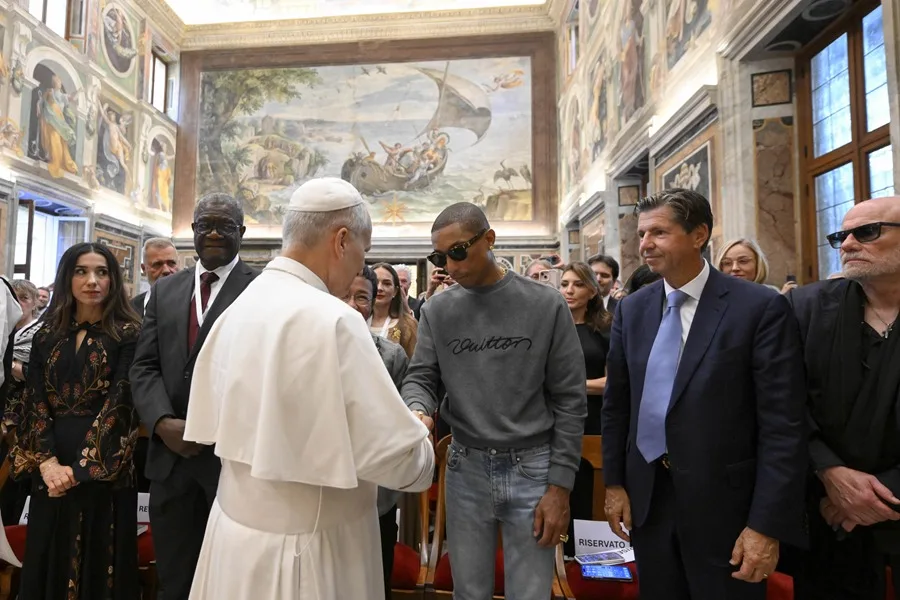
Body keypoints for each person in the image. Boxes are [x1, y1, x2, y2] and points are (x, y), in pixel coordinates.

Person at [183, 177, 434, 599]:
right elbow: (398, 462)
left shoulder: (237, 307)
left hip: (232, 539)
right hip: (312, 553)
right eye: (362, 251)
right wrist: (418, 431)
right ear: (341, 240)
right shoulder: (335, 320)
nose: (361, 267)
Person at [602, 188, 807, 600]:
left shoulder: (758, 307)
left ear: (699, 235)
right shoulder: (633, 308)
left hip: (727, 508)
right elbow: (618, 405)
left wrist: (765, 524)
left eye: (659, 232)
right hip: (649, 501)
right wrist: (615, 484)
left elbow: (783, 425)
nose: (645, 245)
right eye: (642, 234)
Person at [402, 202, 587, 599]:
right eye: (439, 256)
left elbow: (571, 400)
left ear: (489, 240)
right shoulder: (438, 309)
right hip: (466, 465)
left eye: (458, 251)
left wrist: (560, 487)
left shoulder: (545, 304)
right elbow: (421, 377)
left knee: (530, 592)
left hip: (533, 467)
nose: (449, 266)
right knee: (468, 591)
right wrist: (418, 410)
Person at [130, 193, 259, 600]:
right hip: (171, 458)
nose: (215, 233)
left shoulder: (263, 288)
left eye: (225, 225)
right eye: (206, 225)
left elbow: (266, 371)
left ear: (242, 232)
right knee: (175, 576)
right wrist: (161, 422)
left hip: (233, 459)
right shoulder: (167, 290)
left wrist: (219, 426)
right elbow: (144, 366)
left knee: (232, 580)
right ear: (193, 232)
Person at [10, 242, 141, 599]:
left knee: (101, 563)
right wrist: (48, 462)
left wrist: (81, 469)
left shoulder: (129, 333)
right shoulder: (46, 335)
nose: (92, 281)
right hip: (51, 462)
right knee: (47, 553)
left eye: (101, 272)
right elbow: (33, 399)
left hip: (104, 466)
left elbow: (122, 402)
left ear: (113, 280)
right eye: (81, 271)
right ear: (67, 278)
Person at [788, 196, 900, 599]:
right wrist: (829, 473)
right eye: (841, 235)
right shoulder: (805, 309)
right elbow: (780, 403)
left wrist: (875, 496)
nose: (847, 244)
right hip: (825, 518)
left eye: (867, 232)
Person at [343, 265, 411, 600]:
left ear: (373, 304)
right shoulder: (308, 348)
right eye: (345, 295)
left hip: (376, 494)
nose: (353, 305)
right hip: (327, 489)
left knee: (375, 580)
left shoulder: (392, 355)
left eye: (362, 298)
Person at [370, 262, 419, 358]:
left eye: (386, 283)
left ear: (395, 291)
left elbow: (415, 364)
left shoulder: (408, 324)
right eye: (375, 282)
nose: (379, 288)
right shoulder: (357, 320)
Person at [132, 237, 180, 318]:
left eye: (171, 263)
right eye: (157, 264)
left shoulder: (193, 303)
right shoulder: (131, 309)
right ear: (144, 269)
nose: (166, 270)